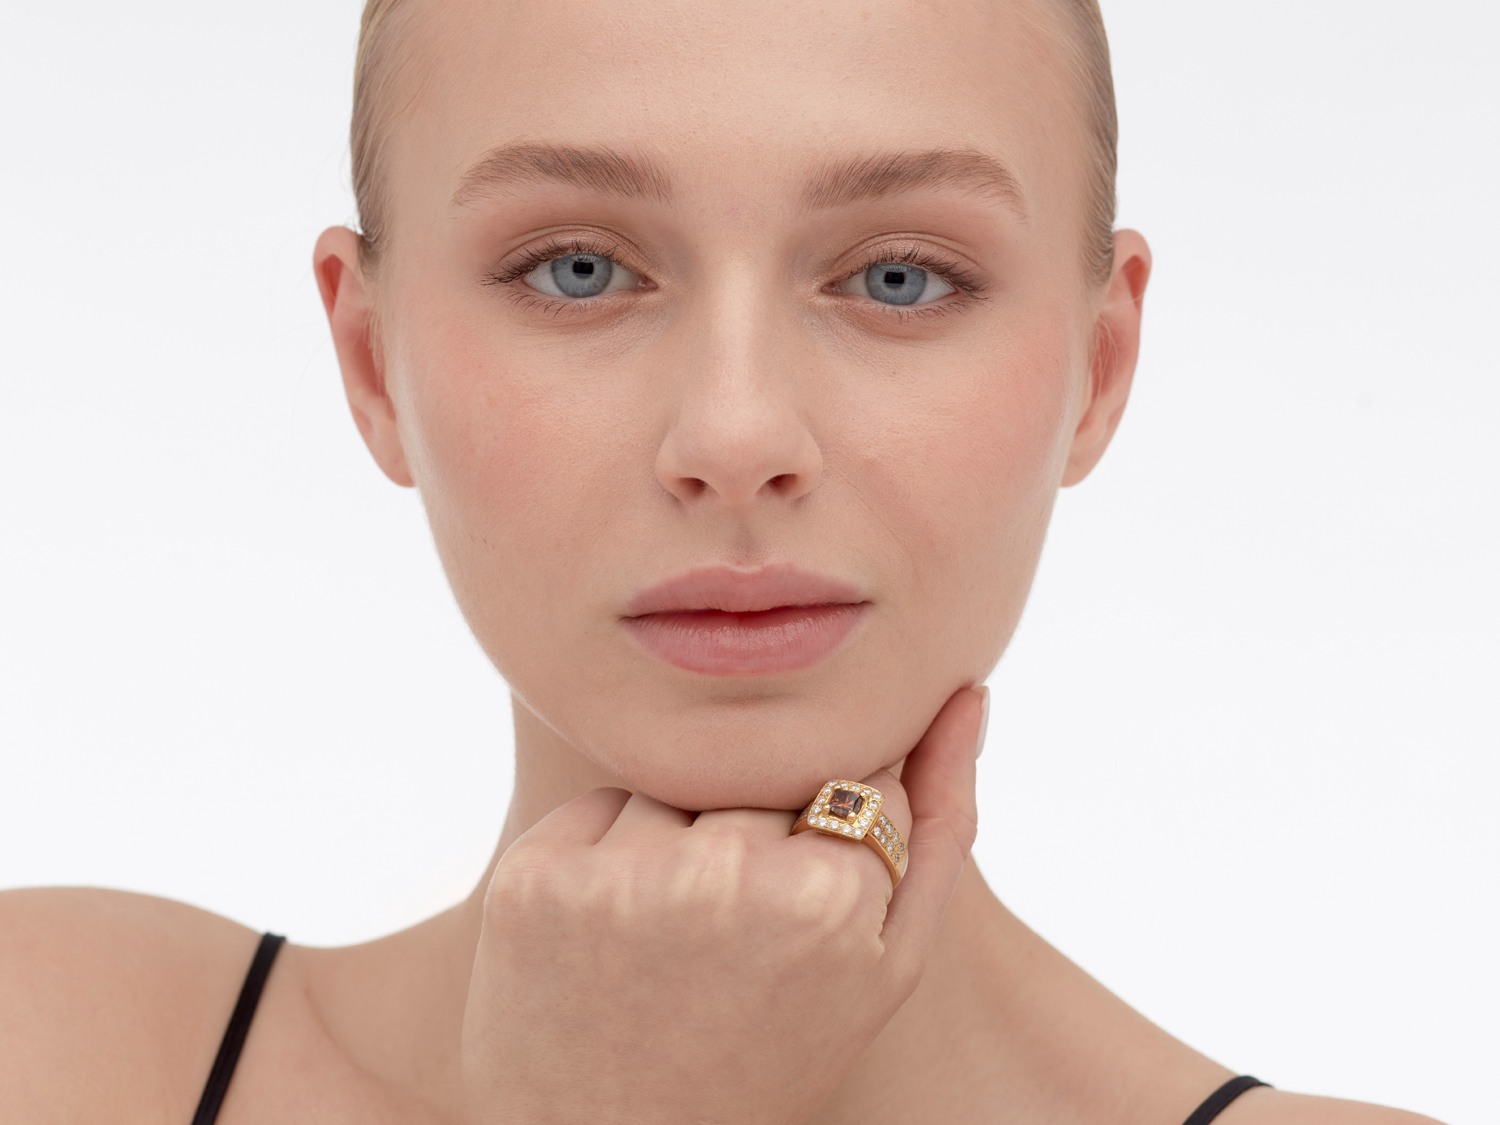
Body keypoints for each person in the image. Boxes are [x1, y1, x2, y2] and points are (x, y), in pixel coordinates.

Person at [0, 0, 1447, 1122]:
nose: (737, 435)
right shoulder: (59, 1048)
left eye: (900, 278)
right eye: (577, 268)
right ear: (373, 361)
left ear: (1100, 367)